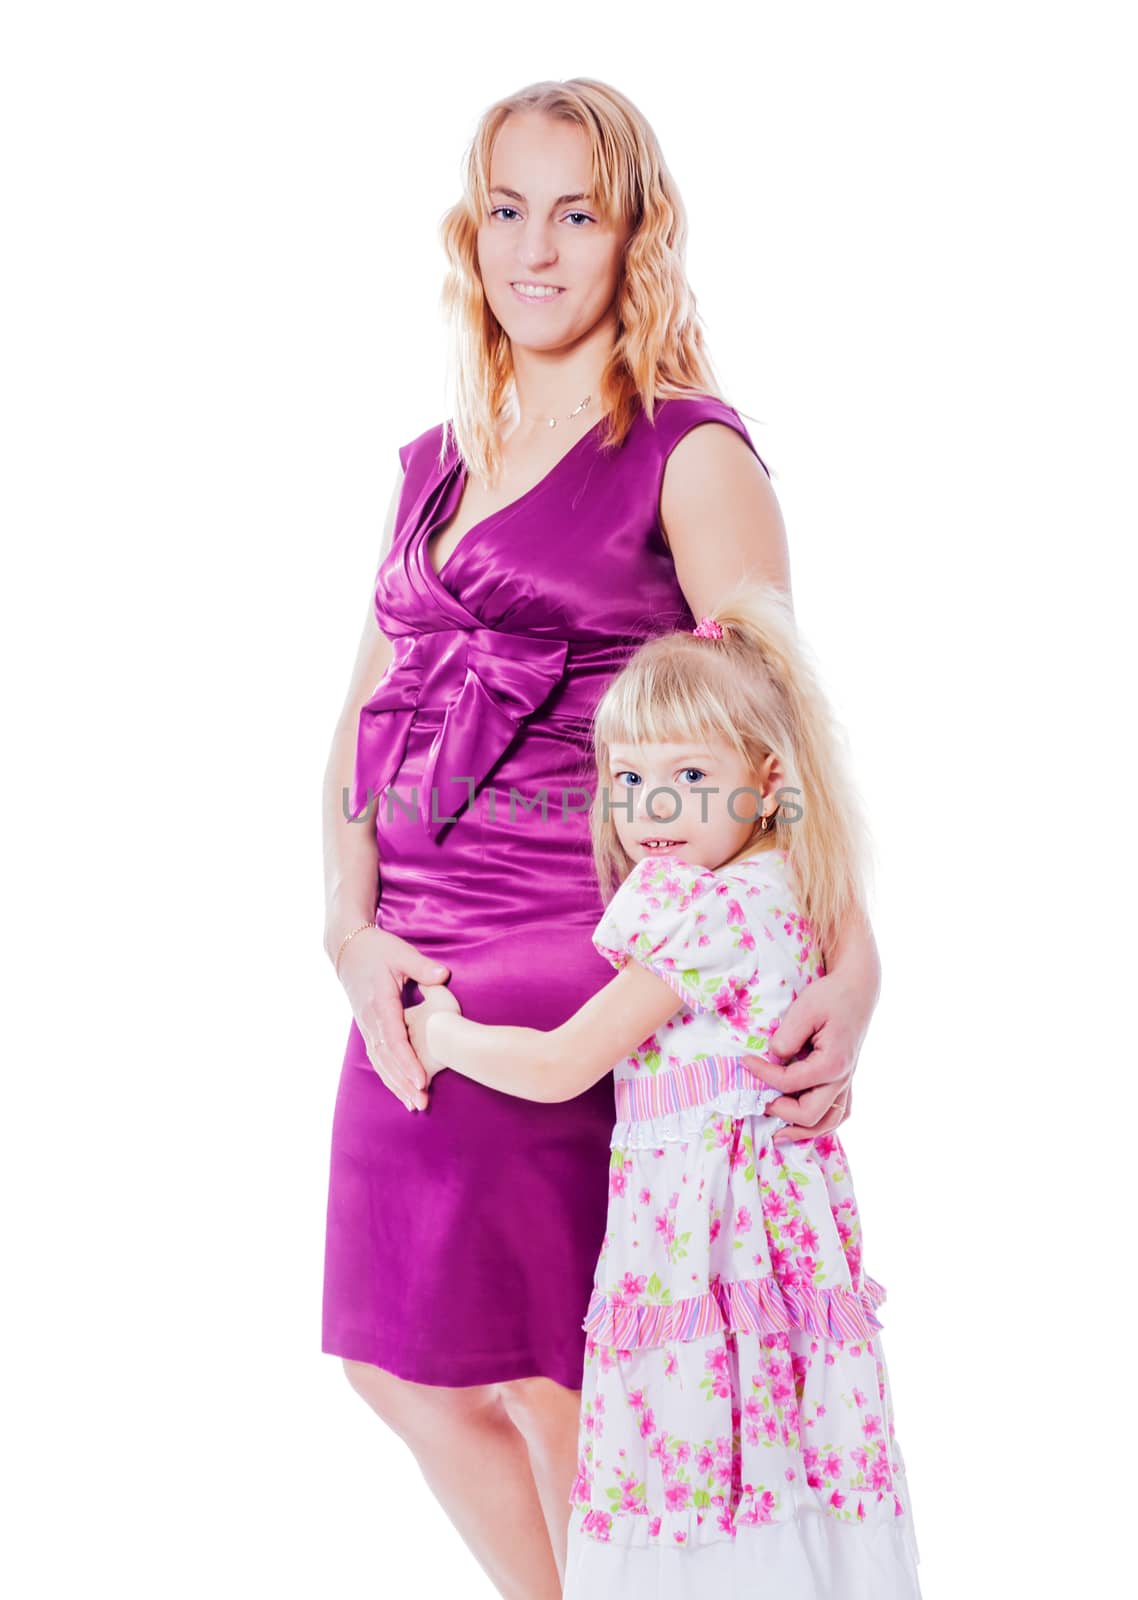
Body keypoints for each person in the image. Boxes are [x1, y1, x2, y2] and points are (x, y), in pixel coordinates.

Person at [320, 77, 884, 1599]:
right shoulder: (430, 463)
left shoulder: (687, 450)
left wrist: (855, 956)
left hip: (578, 951)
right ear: (471, 229)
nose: (537, 250)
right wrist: (345, 925)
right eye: (508, 209)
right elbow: (357, 723)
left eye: (576, 213)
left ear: (631, 234)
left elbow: (781, 743)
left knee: (551, 1363)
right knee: (404, 1368)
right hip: (414, 949)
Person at [408, 583, 921, 1598]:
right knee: (760, 1468)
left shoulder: (713, 911)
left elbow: (564, 1063)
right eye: (629, 779)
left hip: (706, 1250)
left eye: (692, 773)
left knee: (698, 1475)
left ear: (766, 782)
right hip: (742, 1251)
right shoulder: (780, 886)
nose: (654, 809)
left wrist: (446, 1033)